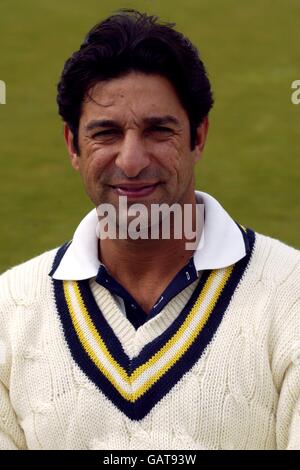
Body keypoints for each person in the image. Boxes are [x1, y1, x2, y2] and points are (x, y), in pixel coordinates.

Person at [0, 9, 299, 451]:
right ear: (73, 146)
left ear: (199, 137)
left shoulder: (291, 294)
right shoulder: (9, 311)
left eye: (159, 130)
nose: (132, 161)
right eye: (106, 133)